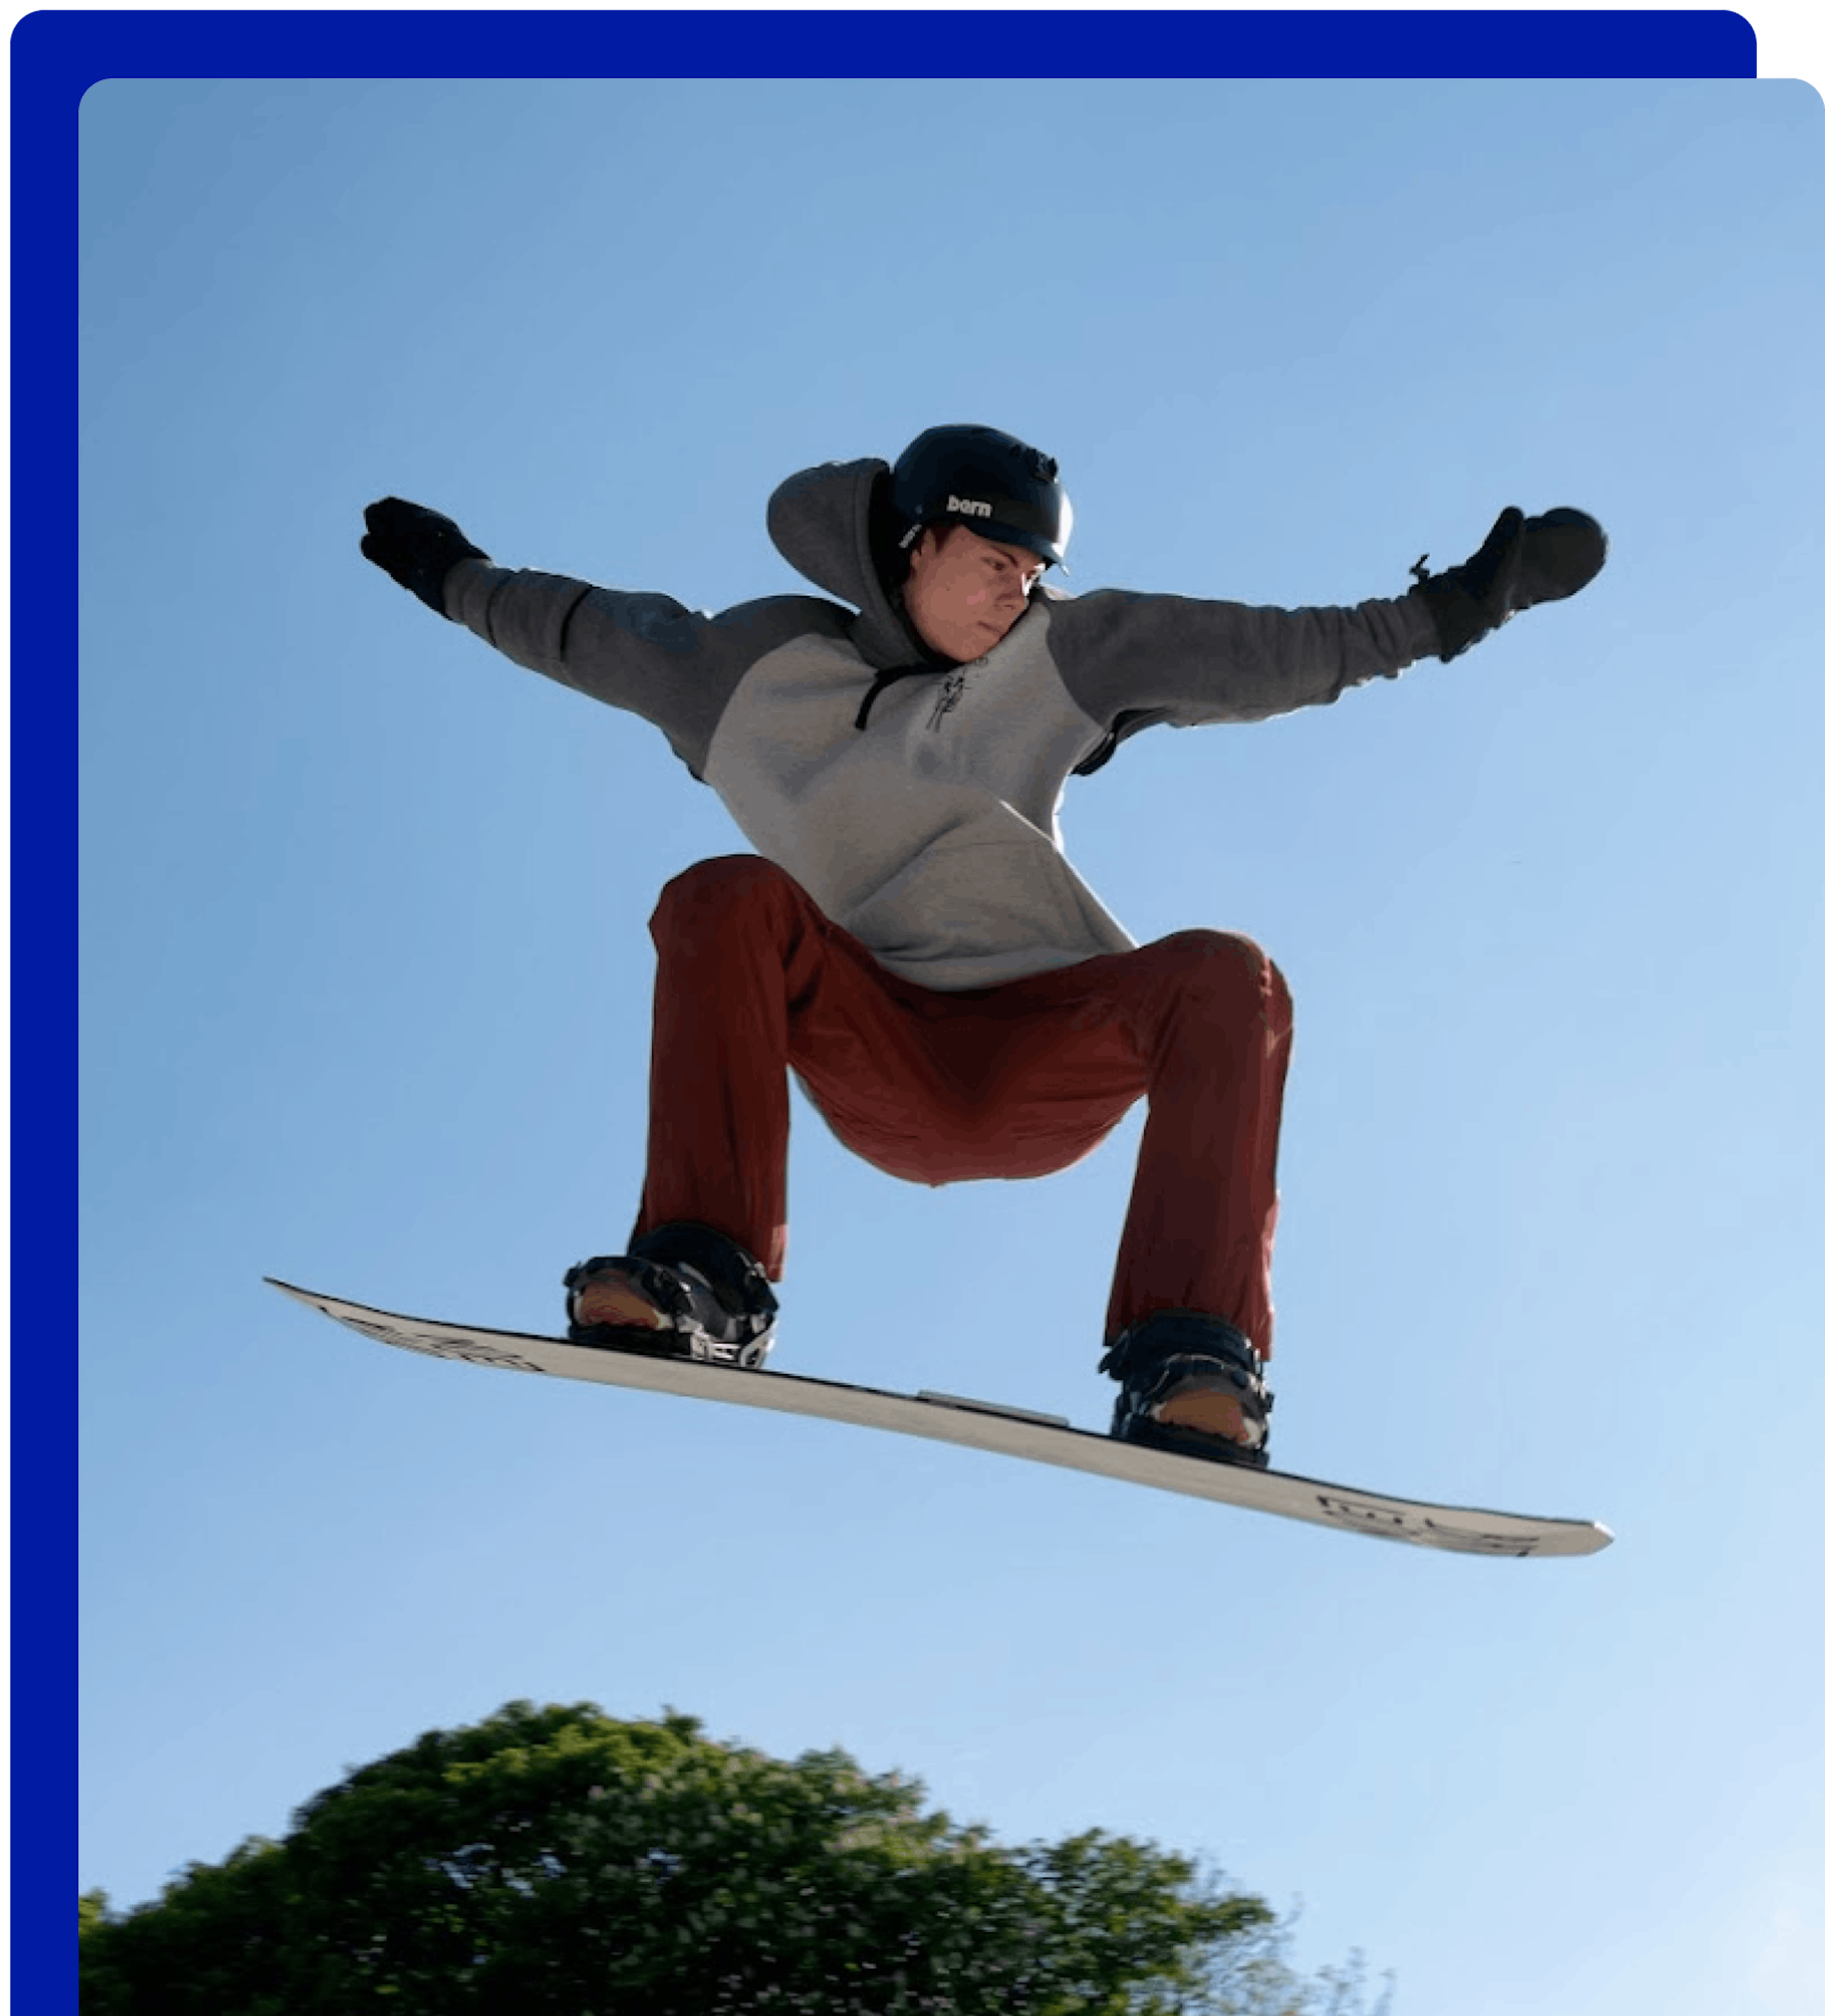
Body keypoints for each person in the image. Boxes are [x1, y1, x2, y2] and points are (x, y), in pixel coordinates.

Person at [360, 426, 1604, 1469]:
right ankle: (706, 1284)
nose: (1019, 588)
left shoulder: (1068, 647)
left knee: (1227, 973)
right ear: (911, 544)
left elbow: (1263, 654)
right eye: (995, 560)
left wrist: (1455, 609)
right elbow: (574, 626)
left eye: (1035, 565)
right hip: (876, 1048)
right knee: (723, 895)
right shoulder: (739, 669)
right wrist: (452, 574)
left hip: (1045, 1046)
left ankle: (1189, 1361)